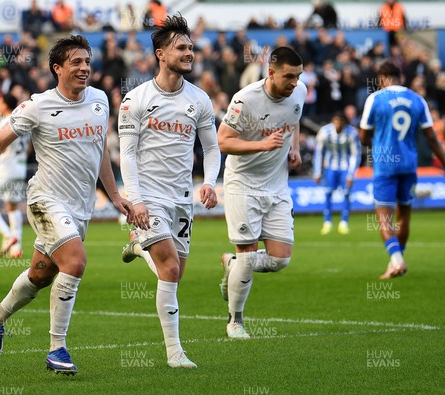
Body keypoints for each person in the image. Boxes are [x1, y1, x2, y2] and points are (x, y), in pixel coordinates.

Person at [0, 35, 133, 375]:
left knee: (41, 274)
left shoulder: (99, 101)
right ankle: (57, 349)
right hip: (45, 200)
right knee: (76, 262)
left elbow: (100, 155)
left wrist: (115, 196)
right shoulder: (36, 106)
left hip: (80, 206)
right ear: (58, 69)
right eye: (76, 63)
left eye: (87, 61)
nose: (85, 68)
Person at [119, 14, 221, 368]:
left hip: (182, 198)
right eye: (182, 48)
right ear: (161, 54)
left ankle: (137, 246)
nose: (189, 52)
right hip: (149, 197)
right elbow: (127, 154)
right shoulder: (136, 99)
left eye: (191, 47)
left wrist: (209, 181)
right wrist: (136, 200)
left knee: (173, 272)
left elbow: (211, 148)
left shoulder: (200, 100)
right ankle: (175, 352)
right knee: (171, 269)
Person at [217, 46, 305, 339]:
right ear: (271, 72)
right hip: (243, 184)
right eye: (289, 76)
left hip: (278, 185)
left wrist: (294, 149)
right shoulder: (245, 100)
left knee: (281, 259)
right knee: (248, 253)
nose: (294, 83)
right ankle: (235, 321)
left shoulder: (299, 93)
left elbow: (294, 121)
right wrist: (261, 145)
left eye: (298, 76)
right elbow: (224, 142)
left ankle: (232, 264)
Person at [360, 61, 445, 279]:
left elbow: (363, 136)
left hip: (385, 165)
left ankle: (397, 260)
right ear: (401, 78)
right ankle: (396, 261)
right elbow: (431, 138)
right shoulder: (418, 100)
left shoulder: (375, 99)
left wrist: (378, 144)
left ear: (380, 79)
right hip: (409, 164)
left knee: (384, 216)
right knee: (404, 215)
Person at [0, 94, 28, 258]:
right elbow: (29, 147)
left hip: (7, 166)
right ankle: (16, 249)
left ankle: (8, 235)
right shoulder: (24, 121)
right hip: (20, 167)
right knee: (12, 205)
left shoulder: (5, 121)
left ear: (5, 105)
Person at [313, 113, 361, 235]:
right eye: (335, 121)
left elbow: (356, 154)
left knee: (346, 194)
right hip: (330, 168)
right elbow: (319, 152)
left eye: (340, 122)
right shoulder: (325, 132)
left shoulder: (352, 133)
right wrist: (317, 172)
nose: (337, 124)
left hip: (345, 168)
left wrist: (351, 174)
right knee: (328, 194)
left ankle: (344, 223)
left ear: (344, 123)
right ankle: (327, 223)